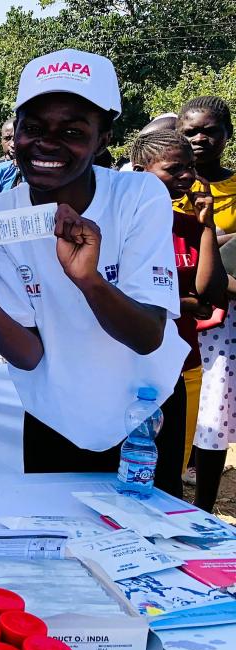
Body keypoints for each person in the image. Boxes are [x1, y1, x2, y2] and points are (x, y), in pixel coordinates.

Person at [0, 50, 189, 495]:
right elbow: (29, 354)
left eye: (72, 131)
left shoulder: (138, 196)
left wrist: (89, 281)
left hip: (144, 414)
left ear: (104, 137)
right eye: (32, 128)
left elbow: (148, 336)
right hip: (55, 417)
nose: (46, 144)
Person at [131, 129, 227, 510]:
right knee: (129, 473)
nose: (187, 176)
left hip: (180, 368)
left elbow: (211, 294)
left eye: (189, 167)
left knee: (167, 475)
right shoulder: (123, 227)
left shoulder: (187, 227)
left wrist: (206, 226)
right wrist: (183, 304)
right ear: (140, 171)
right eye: (175, 168)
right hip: (131, 371)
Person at [175, 96, 236, 509]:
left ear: (227, 135)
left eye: (210, 130)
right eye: (190, 131)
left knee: (213, 412)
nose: (199, 138)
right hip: (176, 310)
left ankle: (205, 507)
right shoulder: (167, 182)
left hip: (223, 320)